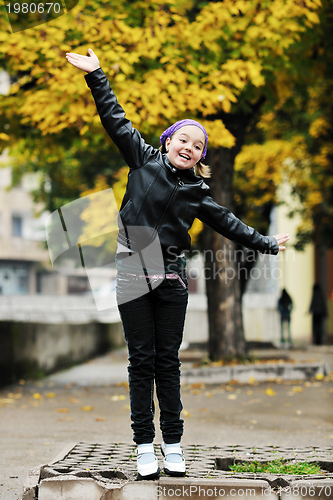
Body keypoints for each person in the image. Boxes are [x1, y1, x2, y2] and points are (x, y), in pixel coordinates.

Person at [65, 48, 290, 479]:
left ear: (201, 157)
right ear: (168, 142)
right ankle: (143, 447)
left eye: (198, 145)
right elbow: (115, 119)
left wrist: (266, 243)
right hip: (133, 274)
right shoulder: (142, 159)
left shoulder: (197, 193)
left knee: (167, 363)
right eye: (183, 139)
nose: (190, 147)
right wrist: (97, 76)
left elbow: (229, 223)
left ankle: (173, 445)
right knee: (140, 362)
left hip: (170, 281)